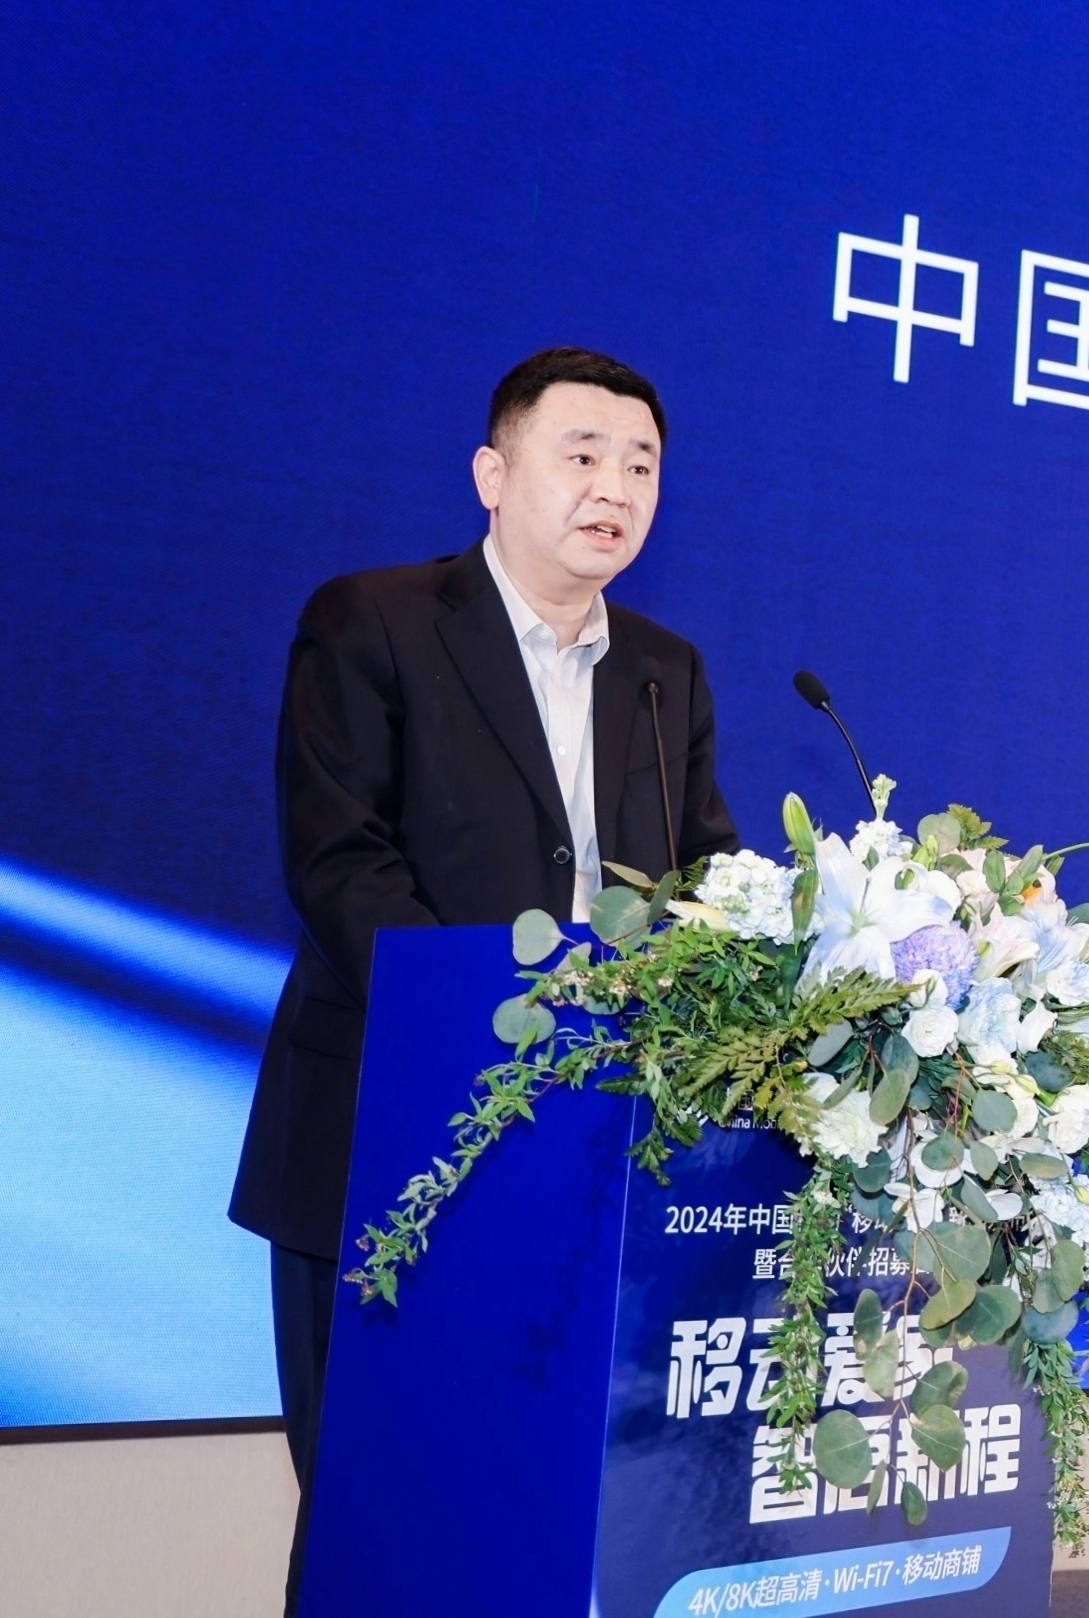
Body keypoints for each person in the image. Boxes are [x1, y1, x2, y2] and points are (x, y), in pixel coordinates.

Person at [227, 347, 742, 1612]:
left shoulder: (665, 674)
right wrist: (485, 1028)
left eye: (641, 467)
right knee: (376, 1517)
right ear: (492, 474)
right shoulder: (375, 623)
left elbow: (707, 886)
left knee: (535, 1518)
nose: (614, 488)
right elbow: (342, 866)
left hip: (591, 1175)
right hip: (387, 1143)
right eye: (583, 455)